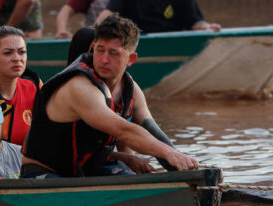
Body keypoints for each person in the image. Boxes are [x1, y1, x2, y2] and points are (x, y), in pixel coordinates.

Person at [21, 14, 199, 178]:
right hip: (45, 173)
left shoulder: (132, 89)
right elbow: (124, 131)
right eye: (100, 50)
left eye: (113, 53)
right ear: (93, 47)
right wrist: (169, 153)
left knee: (133, 181)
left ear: (131, 59)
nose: (104, 60)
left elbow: (154, 133)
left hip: (90, 169)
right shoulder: (79, 87)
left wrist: (186, 171)